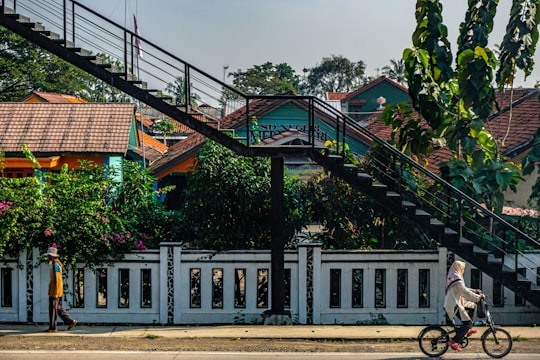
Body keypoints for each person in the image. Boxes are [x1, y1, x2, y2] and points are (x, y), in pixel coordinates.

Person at [444, 260, 485, 351]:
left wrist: (474, 291)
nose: (463, 270)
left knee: (472, 306)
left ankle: (467, 330)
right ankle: (454, 342)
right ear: (458, 268)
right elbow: (464, 292)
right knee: (467, 323)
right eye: (462, 268)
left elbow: (464, 288)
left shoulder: (454, 277)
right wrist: (478, 297)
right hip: (454, 304)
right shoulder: (457, 279)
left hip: (455, 302)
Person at [44, 245, 78, 332]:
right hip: (55, 290)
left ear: (52, 256)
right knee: (58, 308)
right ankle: (70, 321)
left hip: (55, 291)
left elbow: (58, 279)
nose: (48, 257)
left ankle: (52, 327)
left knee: (53, 310)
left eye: (48, 255)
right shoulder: (55, 264)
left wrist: (55, 292)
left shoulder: (56, 264)